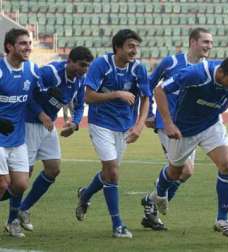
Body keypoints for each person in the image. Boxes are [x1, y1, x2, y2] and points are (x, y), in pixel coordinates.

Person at [152, 56, 228, 238]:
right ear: (220, 72)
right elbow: (159, 90)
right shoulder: (196, 73)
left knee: (227, 166)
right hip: (184, 128)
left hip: (211, 124)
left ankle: (222, 219)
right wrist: (168, 123)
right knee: (175, 172)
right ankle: (160, 191)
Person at [75, 29, 150, 238]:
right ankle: (118, 224)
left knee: (109, 172)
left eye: (136, 46)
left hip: (124, 126)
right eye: (130, 46)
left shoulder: (138, 69)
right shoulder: (102, 65)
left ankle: (85, 194)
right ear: (118, 48)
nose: (134, 50)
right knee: (113, 172)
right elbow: (88, 97)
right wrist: (117, 94)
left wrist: (139, 125)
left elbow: (146, 98)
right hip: (101, 124)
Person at [15, 46, 93, 233]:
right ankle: (12, 219)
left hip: (47, 126)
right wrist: (41, 114)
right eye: (82, 65)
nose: (84, 69)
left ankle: (23, 209)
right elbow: (28, 94)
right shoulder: (50, 72)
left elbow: (80, 106)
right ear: (70, 62)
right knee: (24, 175)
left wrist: (74, 124)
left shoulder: (80, 81)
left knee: (53, 168)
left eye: (87, 66)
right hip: (30, 122)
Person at [141, 27, 213, 231]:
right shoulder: (171, 63)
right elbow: (149, 86)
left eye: (211, 42)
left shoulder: (207, 68)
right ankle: (153, 205)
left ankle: (151, 202)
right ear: (193, 42)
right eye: (205, 42)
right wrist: (148, 114)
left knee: (185, 173)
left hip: (192, 126)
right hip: (168, 124)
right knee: (184, 169)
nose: (209, 46)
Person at [0, 28, 43, 238]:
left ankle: (11, 223)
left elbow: (37, 95)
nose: (28, 47)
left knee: (20, 184)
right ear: (9, 46)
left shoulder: (32, 70)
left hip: (18, 138)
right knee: (3, 183)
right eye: (23, 43)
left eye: (29, 43)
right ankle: (12, 222)